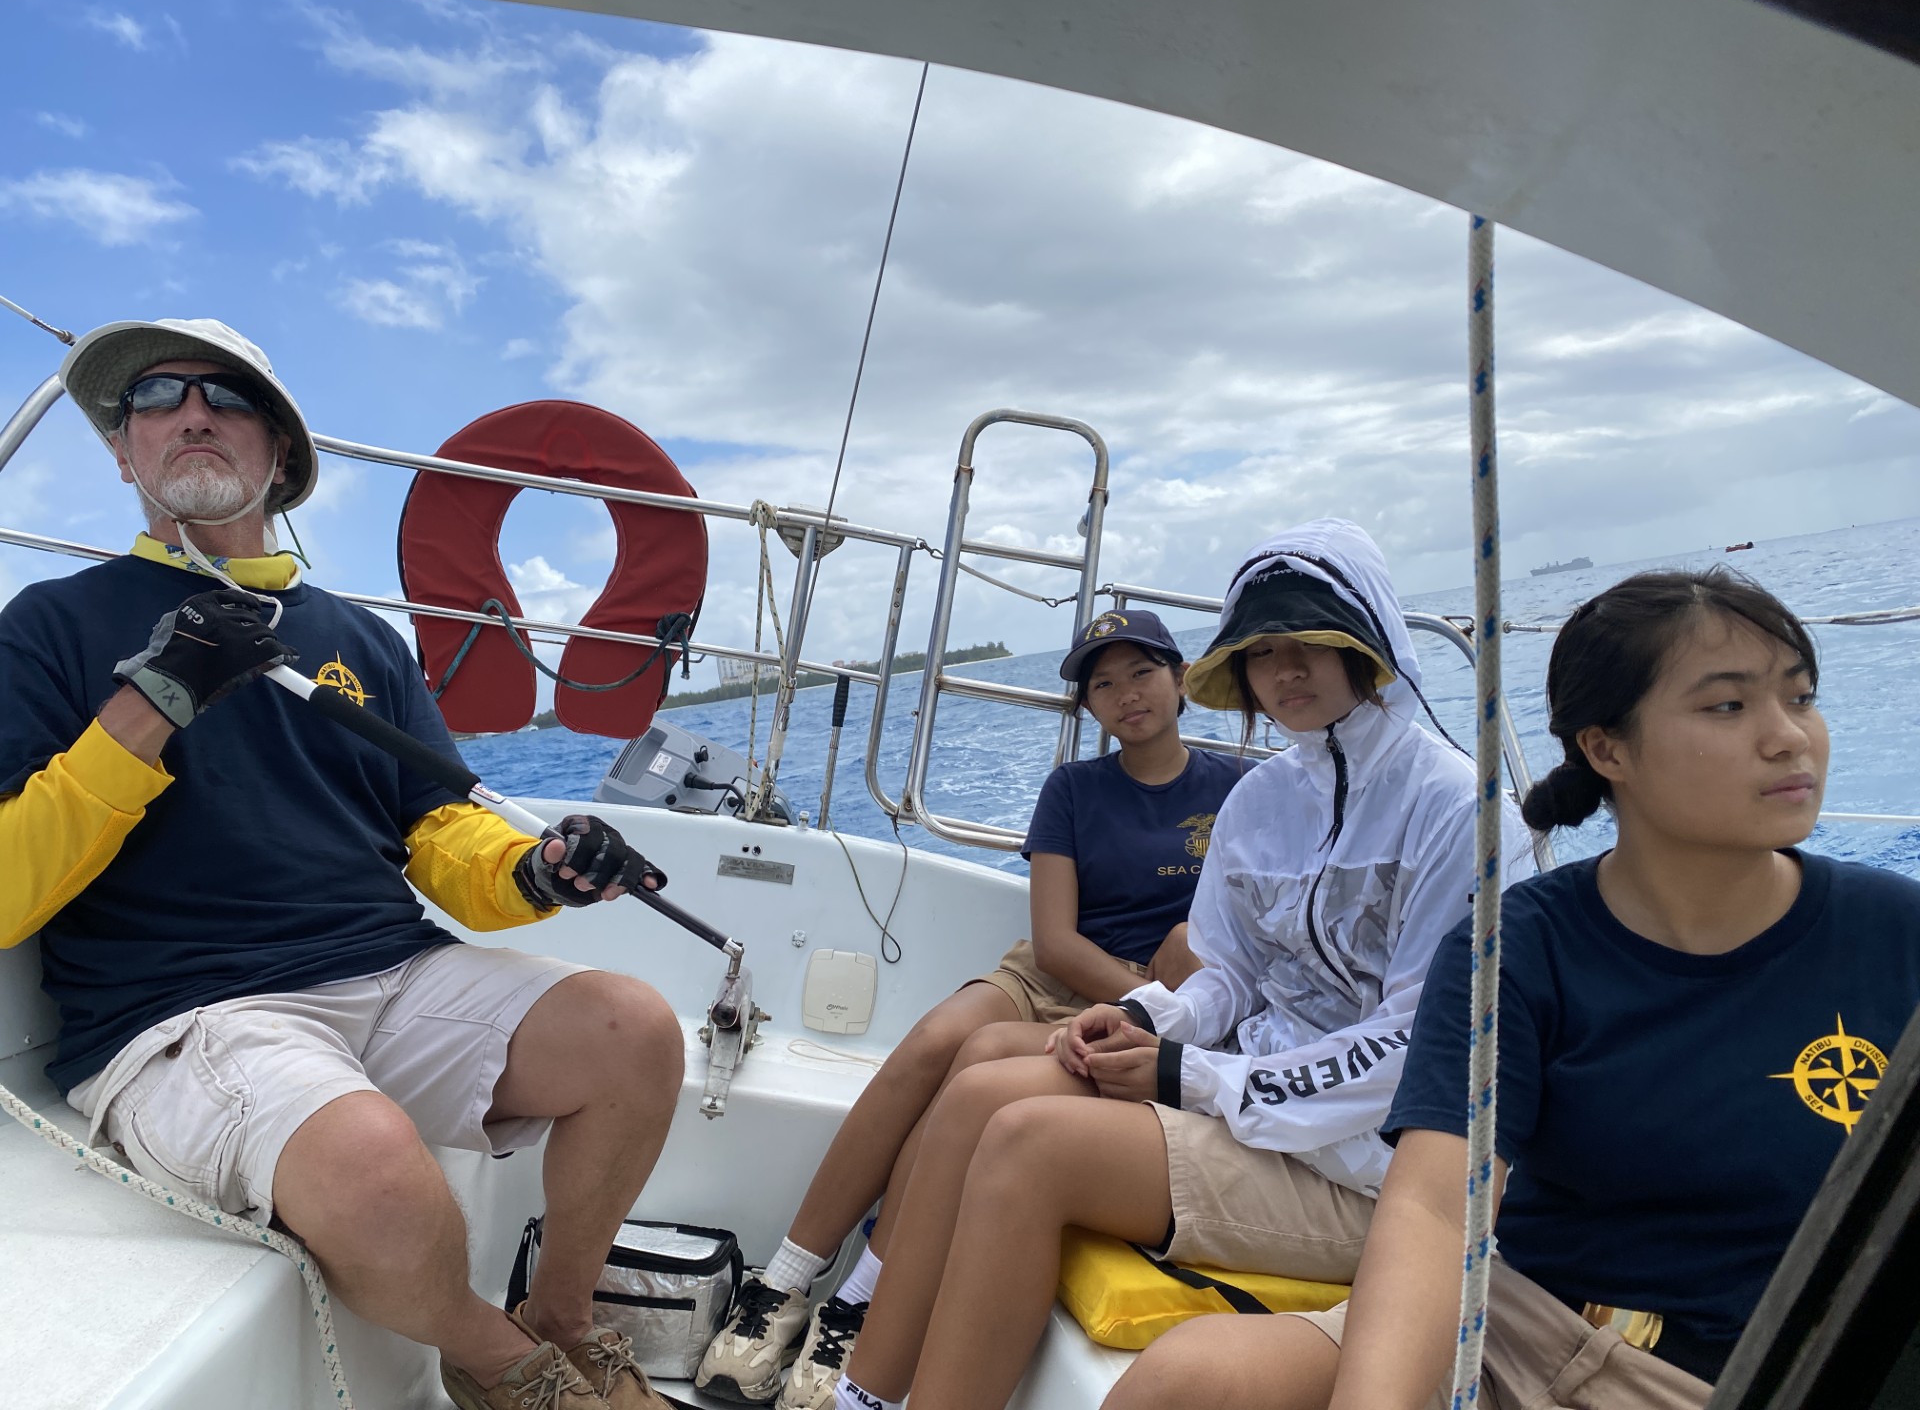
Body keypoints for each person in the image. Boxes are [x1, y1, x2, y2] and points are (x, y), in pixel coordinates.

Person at [0, 318, 688, 1410]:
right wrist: (149, 709)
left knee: (637, 1031)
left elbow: (441, 828)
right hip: (181, 1011)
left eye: (224, 398)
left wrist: (538, 871)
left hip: (388, 970)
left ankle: (561, 1313)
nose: (189, 412)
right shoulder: (47, 626)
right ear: (122, 454)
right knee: (373, 1163)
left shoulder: (360, 642)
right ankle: (512, 1370)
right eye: (154, 398)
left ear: (279, 456)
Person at [1116, 567, 1920, 1410]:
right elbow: (1435, 1207)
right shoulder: (1519, 948)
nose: (1789, 737)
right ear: (1607, 748)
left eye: (1801, 697)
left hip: (1744, 1370)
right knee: (1183, 1382)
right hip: (1526, 1333)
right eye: (1730, 705)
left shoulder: (1894, 938)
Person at [823, 517, 1535, 1410]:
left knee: (1027, 1145)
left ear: (1371, 643)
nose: (1286, 671)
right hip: (1255, 1110)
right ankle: (864, 1393)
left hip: (1370, 1172)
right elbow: (1230, 974)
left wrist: (1189, 1075)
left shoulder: (1455, 810)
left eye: (1311, 642)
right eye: (1262, 651)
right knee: (976, 1096)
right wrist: (1149, 1020)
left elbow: (1414, 1052)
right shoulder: (1265, 801)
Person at [696, 608, 1248, 1407]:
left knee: (980, 1067)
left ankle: (865, 1299)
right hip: (1053, 975)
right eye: (1103, 683)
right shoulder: (1073, 789)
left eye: (1141, 672)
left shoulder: (1238, 787)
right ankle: (784, 1281)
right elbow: (1054, 943)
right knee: (934, 1040)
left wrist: (1147, 1002)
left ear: (1179, 677)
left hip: (1153, 1003)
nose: (1126, 693)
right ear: (1087, 706)